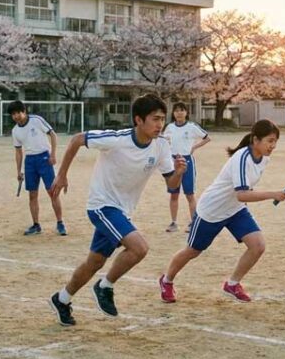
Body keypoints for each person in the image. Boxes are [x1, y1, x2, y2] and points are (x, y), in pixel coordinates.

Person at [48, 94, 186, 325]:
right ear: (138, 120)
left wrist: (179, 173)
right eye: (155, 119)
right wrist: (61, 175)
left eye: (162, 119)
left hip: (122, 211)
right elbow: (76, 140)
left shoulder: (161, 145)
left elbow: (171, 184)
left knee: (94, 262)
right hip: (102, 205)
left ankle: (62, 299)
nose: (160, 124)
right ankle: (105, 286)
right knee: (139, 248)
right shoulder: (117, 139)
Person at [159, 120, 285, 303]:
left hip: (235, 209)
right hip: (212, 211)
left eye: (275, 141)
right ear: (255, 140)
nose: (273, 146)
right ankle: (166, 280)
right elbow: (242, 194)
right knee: (193, 251)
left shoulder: (264, 158)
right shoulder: (242, 158)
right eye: (270, 141)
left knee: (258, 245)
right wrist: (272, 194)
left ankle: (232, 284)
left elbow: (242, 195)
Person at [7, 101, 65, 236]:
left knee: (52, 192)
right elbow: (18, 152)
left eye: (18, 112)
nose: (16, 116)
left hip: (44, 158)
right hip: (30, 162)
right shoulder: (15, 131)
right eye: (13, 114)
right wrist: (18, 171)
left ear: (24, 111)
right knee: (32, 195)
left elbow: (53, 135)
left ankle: (60, 223)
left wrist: (53, 154)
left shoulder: (37, 120)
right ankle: (36, 225)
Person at [162, 102, 211, 233]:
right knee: (174, 194)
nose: (179, 113)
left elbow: (207, 138)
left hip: (187, 161)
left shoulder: (191, 126)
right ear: (173, 113)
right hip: (173, 161)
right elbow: (163, 140)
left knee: (189, 194)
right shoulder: (169, 127)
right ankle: (173, 223)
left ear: (186, 112)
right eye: (176, 110)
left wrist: (194, 147)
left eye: (182, 110)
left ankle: (193, 222)